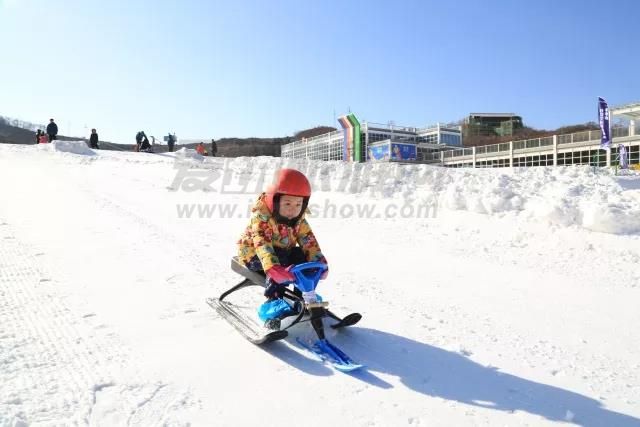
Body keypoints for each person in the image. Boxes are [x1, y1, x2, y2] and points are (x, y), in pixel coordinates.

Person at [237, 169, 328, 324]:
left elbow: (308, 240)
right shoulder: (262, 219)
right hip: (254, 256)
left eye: (298, 204)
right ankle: (273, 302)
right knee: (279, 257)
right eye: (287, 203)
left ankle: (305, 295)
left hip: (282, 253)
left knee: (302, 256)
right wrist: (272, 267)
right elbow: (262, 245)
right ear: (274, 201)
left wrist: (319, 261)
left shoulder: (298, 220)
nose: (293, 209)